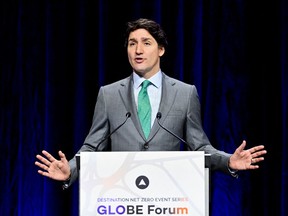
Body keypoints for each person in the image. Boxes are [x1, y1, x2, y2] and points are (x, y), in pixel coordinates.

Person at [35, 18, 267, 189]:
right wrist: (70, 171)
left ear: (161, 49)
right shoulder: (109, 94)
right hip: (121, 198)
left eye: (146, 42)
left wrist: (230, 162)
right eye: (132, 43)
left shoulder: (185, 94)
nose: (138, 50)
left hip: (168, 199)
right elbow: (92, 147)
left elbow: (200, 148)